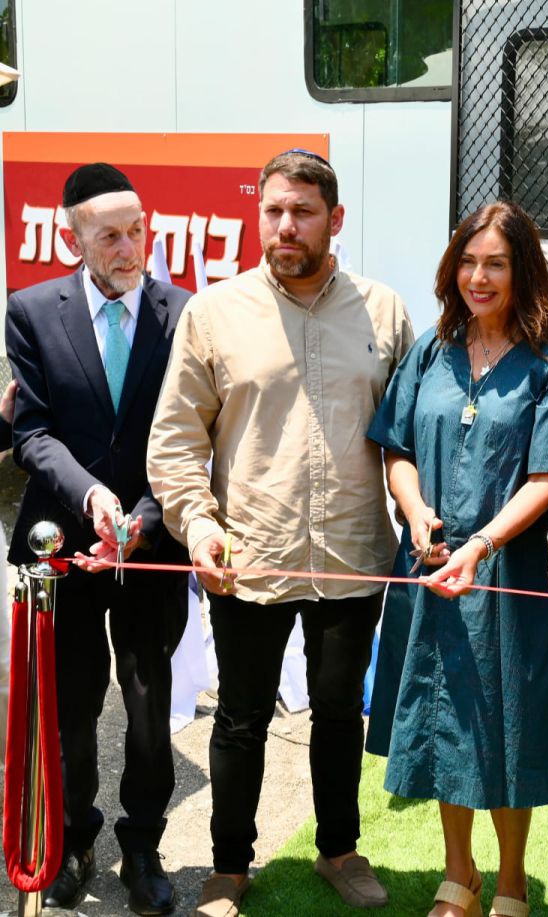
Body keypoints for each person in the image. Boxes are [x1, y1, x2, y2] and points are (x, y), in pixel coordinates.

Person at [146, 149, 414, 917]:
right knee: (240, 718)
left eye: (302, 211)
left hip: (353, 554)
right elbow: (176, 439)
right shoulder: (214, 312)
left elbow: (411, 433)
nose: (285, 225)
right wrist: (197, 524)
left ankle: (339, 850)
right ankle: (231, 866)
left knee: (338, 711)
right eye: (273, 210)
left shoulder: (384, 310)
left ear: (335, 220)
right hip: (247, 557)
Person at [365, 200, 548, 917]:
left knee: (506, 725)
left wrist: (482, 542)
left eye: (495, 262)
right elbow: (395, 446)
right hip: (431, 564)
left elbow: (547, 477)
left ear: (523, 269)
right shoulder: (432, 349)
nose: (479, 277)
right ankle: (458, 876)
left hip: (505, 570)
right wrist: (415, 509)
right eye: (467, 261)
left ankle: (514, 879)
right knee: (442, 723)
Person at [5, 163, 191, 915]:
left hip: (150, 545)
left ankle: (142, 843)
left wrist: (142, 516)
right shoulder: (29, 310)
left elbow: (186, 438)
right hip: (62, 548)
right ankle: (75, 838)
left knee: (148, 704)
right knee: (71, 706)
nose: (128, 246)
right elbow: (31, 431)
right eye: (110, 234)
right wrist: (89, 492)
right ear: (72, 236)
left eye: (137, 230)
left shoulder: (181, 312)